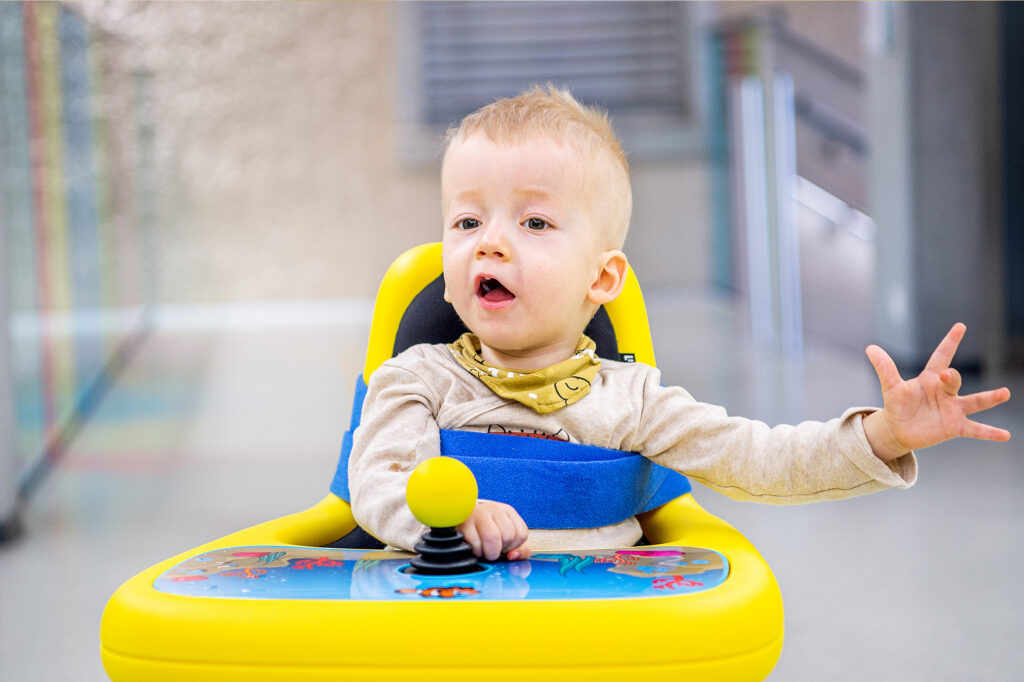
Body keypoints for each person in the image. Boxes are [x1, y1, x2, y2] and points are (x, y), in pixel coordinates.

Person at [348, 85, 1012, 562]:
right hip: (448, 631)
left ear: (603, 279)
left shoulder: (632, 403)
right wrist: (445, 516)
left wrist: (884, 433)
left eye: (534, 222)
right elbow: (377, 482)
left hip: (601, 643)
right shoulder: (416, 380)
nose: (488, 243)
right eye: (467, 221)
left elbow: (760, 460)